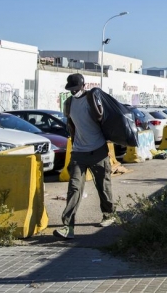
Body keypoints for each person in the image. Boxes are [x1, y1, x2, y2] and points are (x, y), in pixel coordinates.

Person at [54, 73, 115, 239]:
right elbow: (72, 126)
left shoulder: (92, 99)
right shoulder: (68, 103)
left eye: (76, 89)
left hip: (98, 151)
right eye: (71, 89)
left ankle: (109, 214)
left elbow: (103, 118)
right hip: (79, 153)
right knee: (74, 188)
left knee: (103, 186)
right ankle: (68, 227)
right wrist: (74, 147)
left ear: (83, 86)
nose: (73, 92)